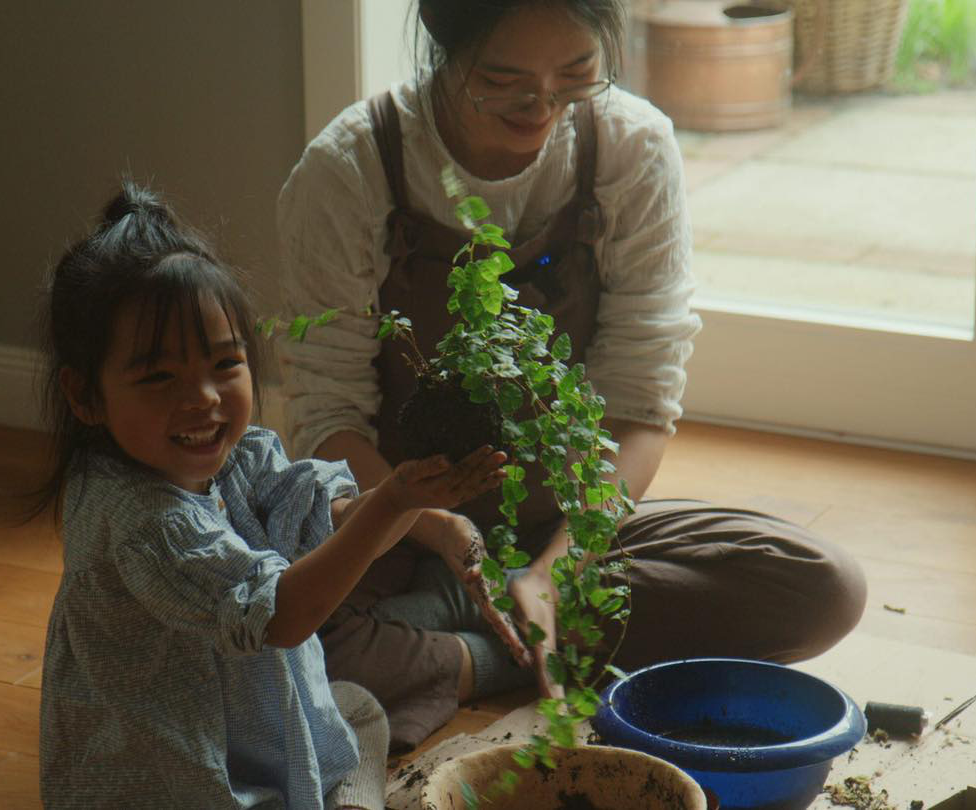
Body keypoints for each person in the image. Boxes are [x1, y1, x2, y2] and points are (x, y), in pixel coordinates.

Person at [276, 0, 869, 752]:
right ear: (443, 44)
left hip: (573, 526)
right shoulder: (351, 167)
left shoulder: (631, 148)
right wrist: (438, 529)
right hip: (396, 525)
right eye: (505, 79)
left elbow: (640, 405)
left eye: (576, 75)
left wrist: (555, 570)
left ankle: (486, 637)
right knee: (269, 628)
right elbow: (327, 420)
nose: (543, 105)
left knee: (819, 587)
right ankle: (511, 649)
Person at [33, 181, 509, 808]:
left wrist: (415, 499)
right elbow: (284, 617)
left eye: (224, 365)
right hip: (172, 777)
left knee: (355, 709)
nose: (202, 397)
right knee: (348, 720)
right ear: (85, 396)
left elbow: (334, 518)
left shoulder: (232, 458)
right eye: (158, 377)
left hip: (242, 716)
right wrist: (394, 501)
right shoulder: (143, 520)